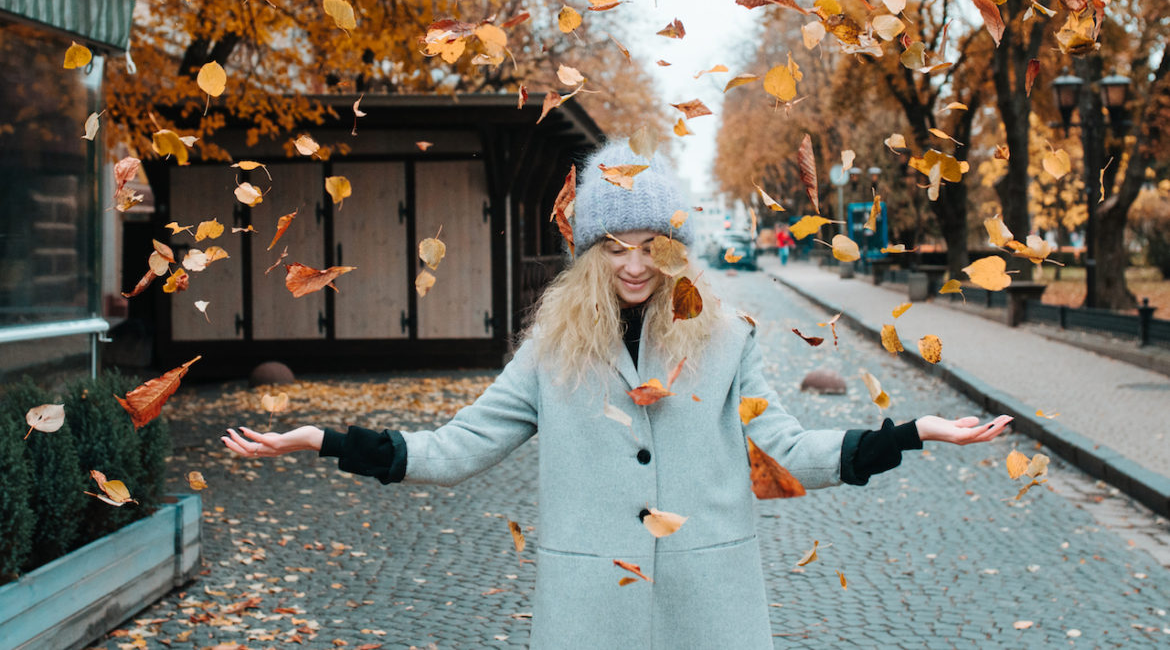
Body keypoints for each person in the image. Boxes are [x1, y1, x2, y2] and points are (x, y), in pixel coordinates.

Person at [223, 140, 1012, 649]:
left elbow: (788, 449)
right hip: (589, 615)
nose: (634, 265)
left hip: (712, 611)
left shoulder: (728, 338)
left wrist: (912, 433)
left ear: (674, 251)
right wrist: (326, 441)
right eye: (614, 247)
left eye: (651, 246)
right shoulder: (550, 353)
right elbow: (453, 450)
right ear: (590, 253)